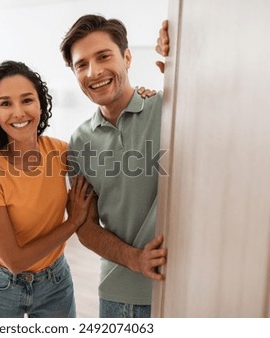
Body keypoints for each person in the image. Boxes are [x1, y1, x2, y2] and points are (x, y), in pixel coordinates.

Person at [0, 60, 94, 318]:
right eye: (5, 103)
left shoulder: (60, 152)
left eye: (27, 100)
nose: (18, 112)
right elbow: (15, 261)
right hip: (2, 288)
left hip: (56, 284)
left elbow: (107, 152)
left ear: (41, 104)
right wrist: (73, 223)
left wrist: (140, 99)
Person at [60, 14, 169, 318]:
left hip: (177, 286)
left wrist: (177, 58)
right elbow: (86, 227)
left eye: (104, 56)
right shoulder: (79, 141)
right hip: (117, 295)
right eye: (81, 65)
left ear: (128, 57)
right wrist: (135, 259)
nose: (93, 72)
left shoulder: (167, 109)